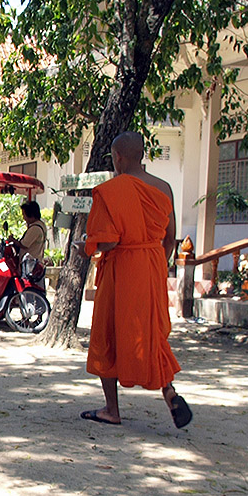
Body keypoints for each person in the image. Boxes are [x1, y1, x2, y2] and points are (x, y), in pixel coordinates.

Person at [75, 132, 191, 428]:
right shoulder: (164, 188)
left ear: (118, 157)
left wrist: (86, 246)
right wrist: (156, 264)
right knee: (149, 330)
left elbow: (109, 242)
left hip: (121, 268)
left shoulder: (111, 190)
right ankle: (168, 391)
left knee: (108, 332)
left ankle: (112, 410)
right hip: (151, 266)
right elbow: (170, 237)